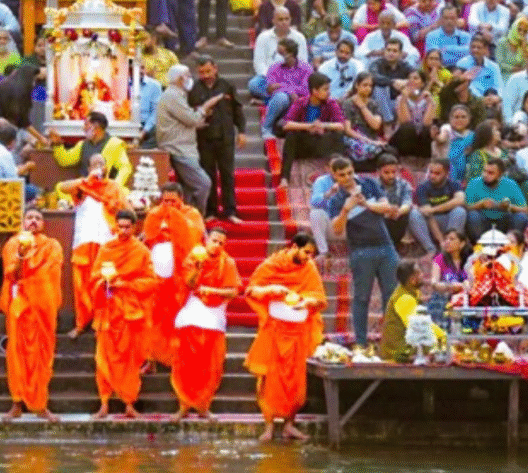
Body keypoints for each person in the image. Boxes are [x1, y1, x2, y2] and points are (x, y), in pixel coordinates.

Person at [244, 233, 326, 441]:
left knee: (294, 381)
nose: (309, 257)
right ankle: (269, 426)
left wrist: (306, 302)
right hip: (274, 331)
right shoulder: (272, 264)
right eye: (306, 252)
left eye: (312, 254)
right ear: (294, 247)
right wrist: (271, 289)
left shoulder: (309, 268)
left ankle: (289, 425)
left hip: (298, 334)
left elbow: (319, 297)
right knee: (269, 380)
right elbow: (252, 290)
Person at [90, 210, 157, 419]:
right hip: (108, 310)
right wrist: (105, 282)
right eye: (120, 227)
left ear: (135, 228)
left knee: (129, 360)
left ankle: (129, 403)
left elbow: (151, 281)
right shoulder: (106, 249)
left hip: (130, 312)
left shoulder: (141, 251)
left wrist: (125, 284)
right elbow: (94, 278)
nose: (123, 231)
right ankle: (104, 403)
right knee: (103, 358)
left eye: (128, 227)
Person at [170, 226, 241, 421]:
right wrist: (198, 268)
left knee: (210, 365)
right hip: (192, 312)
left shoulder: (228, 263)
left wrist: (212, 291)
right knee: (185, 362)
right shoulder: (195, 257)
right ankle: (184, 406)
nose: (216, 245)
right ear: (206, 240)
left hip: (214, 316)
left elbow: (233, 291)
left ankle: (203, 406)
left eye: (221, 243)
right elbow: (189, 283)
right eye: (214, 241)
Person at [0, 208, 63, 422]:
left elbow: (50, 274)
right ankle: (17, 403)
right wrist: (20, 255)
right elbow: (11, 274)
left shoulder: (52, 246)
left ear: (43, 224)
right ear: (23, 222)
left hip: (41, 307)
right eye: (29, 218)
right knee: (16, 355)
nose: (33, 221)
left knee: (41, 356)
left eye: (37, 218)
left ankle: (40, 404)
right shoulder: (12, 244)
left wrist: (32, 280)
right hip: (20, 307)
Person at [57, 154, 129, 338]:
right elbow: (62, 187)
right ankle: (81, 323)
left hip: (106, 242)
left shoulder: (113, 187)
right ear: (89, 168)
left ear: (106, 168)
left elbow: (127, 210)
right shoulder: (82, 187)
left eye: (101, 164)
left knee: (105, 282)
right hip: (83, 241)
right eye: (94, 164)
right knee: (81, 284)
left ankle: (101, 323)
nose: (98, 167)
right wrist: (86, 180)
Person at [328, 157, 398, 346]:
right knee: (361, 297)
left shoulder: (369, 184)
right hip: (360, 251)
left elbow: (386, 207)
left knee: (392, 296)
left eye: (350, 172)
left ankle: (391, 341)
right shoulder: (336, 200)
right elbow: (337, 230)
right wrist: (345, 210)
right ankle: (361, 343)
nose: (347, 177)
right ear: (334, 175)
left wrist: (365, 204)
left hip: (386, 246)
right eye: (342, 175)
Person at [142, 183, 205, 368]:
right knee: (154, 318)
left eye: (173, 201)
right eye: (165, 201)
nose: (169, 205)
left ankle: (177, 359)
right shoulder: (154, 214)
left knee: (179, 316)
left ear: (181, 199)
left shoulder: (191, 214)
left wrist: (174, 221)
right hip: (157, 276)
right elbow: (149, 237)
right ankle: (152, 359)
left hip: (181, 276)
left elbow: (194, 236)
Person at [157, 64, 223, 214]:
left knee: (187, 188)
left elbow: (184, 121)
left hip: (183, 146)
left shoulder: (177, 94)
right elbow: (192, 119)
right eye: (187, 75)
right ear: (180, 79)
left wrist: (197, 120)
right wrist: (205, 107)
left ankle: (186, 218)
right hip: (179, 148)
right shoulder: (172, 95)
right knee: (203, 183)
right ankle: (196, 216)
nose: (190, 78)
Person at [189, 55, 246, 223]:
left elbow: (237, 110)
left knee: (227, 174)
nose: (206, 75)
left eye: (208, 71)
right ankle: (210, 211)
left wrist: (242, 131)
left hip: (225, 137)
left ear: (215, 68)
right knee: (208, 176)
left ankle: (230, 211)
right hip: (204, 138)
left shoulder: (227, 86)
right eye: (201, 72)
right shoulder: (193, 89)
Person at [278, 73, 347, 185]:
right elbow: (286, 124)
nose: (329, 92)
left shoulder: (331, 103)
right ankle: (284, 178)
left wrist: (322, 125)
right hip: (304, 143)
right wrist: (309, 126)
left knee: (338, 136)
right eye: (325, 89)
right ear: (315, 91)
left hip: (322, 142)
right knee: (291, 136)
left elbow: (341, 125)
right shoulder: (300, 102)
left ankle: (340, 173)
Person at [379, 261, 445, 362]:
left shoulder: (411, 291)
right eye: (419, 273)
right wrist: (443, 336)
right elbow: (420, 326)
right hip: (398, 353)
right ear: (412, 279)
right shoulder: (404, 298)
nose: (422, 275)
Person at [50, 112, 132, 187]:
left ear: (96, 128)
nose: (84, 128)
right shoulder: (82, 144)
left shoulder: (114, 144)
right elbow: (65, 161)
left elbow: (125, 167)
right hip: (85, 187)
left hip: (104, 189)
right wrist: (57, 144)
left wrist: (115, 186)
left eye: (86, 125)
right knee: (59, 187)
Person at [249, 6, 308, 101]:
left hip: (293, 77)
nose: (284, 22)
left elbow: (303, 61)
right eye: (280, 19)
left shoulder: (299, 37)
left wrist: (285, 81)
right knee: (253, 84)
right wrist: (272, 78)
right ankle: (282, 97)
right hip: (269, 77)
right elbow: (259, 63)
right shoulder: (263, 37)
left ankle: (273, 99)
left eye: (286, 19)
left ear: (290, 20)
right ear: (273, 21)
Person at [465, 157, 528, 242]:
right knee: (472, 215)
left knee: (521, 217)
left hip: (503, 221)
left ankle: (510, 243)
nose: (485, 175)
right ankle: (479, 244)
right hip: (482, 222)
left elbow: (525, 210)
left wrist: (509, 207)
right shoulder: (474, 183)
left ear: (500, 174)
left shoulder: (510, 184)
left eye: (490, 173)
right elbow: (466, 208)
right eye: (484, 171)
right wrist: (480, 205)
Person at [261, 39, 314, 137]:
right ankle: (266, 128)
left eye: (281, 53)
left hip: (300, 101)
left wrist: (282, 86)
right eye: (277, 52)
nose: (278, 55)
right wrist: (290, 91)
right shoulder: (274, 67)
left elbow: (305, 90)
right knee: (281, 97)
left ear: (291, 54)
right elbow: (270, 88)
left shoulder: (306, 68)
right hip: (280, 102)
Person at [412, 158, 467, 252]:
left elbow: (461, 200)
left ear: (446, 173)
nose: (432, 176)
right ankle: (431, 249)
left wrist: (434, 209)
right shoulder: (422, 187)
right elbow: (429, 215)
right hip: (430, 224)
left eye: (437, 173)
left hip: (450, 223)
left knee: (460, 211)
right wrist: (442, 241)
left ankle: (451, 245)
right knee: (414, 214)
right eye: (431, 172)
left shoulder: (454, 184)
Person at [375, 154, 424, 251]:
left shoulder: (404, 184)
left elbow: (407, 203)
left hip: (399, 219)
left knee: (413, 212)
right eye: (386, 172)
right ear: (378, 172)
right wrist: (387, 211)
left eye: (394, 172)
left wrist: (397, 212)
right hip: (379, 222)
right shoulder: (372, 185)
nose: (391, 176)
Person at [427, 229, 470, 325]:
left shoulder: (470, 259)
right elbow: (434, 283)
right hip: (445, 300)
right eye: (446, 239)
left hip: (465, 299)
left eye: (451, 239)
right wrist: (451, 286)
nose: (447, 242)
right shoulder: (439, 259)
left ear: (462, 244)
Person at [389, 69, 435, 158]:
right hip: (405, 136)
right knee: (408, 128)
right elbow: (405, 121)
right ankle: (405, 157)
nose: (411, 80)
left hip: (420, 136)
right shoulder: (400, 98)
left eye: (415, 78)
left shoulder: (427, 98)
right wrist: (404, 99)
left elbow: (427, 123)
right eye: (409, 78)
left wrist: (430, 103)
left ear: (422, 83)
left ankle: (424, 159)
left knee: (427, 130)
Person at [368, 38, 414, 123]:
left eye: (394, 51)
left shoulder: (405, 65)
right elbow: (373, 76)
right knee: (379, 88)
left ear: (400, 53)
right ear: (384, 51)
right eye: (388, 50)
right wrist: (392, 82)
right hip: (380, 104)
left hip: (400, 102)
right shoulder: (376, 64)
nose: (391, 53)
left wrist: (407, 82)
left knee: (412, 89)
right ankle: (388, 123)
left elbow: (417, 77)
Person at [355, 10, 419, 68]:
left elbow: (414, 53)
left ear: (394, 25)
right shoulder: (371, 37)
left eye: (388, 23)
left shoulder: (401, 37)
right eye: (382, 23)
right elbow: (358, 53)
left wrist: (401, 54)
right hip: (375, 69)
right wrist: (374, 53)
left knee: (411, 59)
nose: (385, 26)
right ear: (378, 24)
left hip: (396, 69)